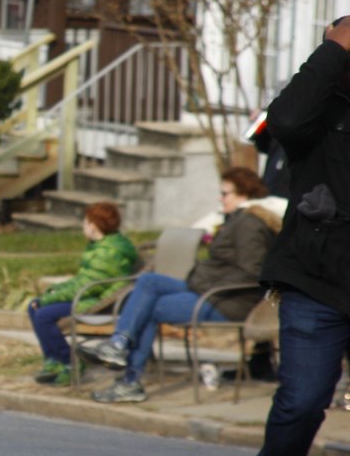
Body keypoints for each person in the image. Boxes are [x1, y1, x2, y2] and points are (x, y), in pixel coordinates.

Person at [246, 16, 350, 456]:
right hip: (316, 277)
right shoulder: (318, 112)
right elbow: (281, 121)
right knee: (304, 400)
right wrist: (334, 49)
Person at [78, 167, 281, 404]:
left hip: (226, 302)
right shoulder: (239, 219)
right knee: (148, 281)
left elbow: (252, 272)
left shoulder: (249, 224)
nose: (220, 198)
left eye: (225, 193)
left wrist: (209, 284)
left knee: (152, 308)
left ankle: (130, 381)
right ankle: (118, 344)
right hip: (205, 288)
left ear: (244, 195)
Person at [28, 202, 137, 387]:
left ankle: (71, 363)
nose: (83, 227)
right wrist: (55, 291)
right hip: (89, 295)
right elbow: (82, 279)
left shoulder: (108, 252)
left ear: (94, 225)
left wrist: (49, 298)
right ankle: (53, 361)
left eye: (85, 222)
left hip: (99, 303)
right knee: (34, 307)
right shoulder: (100, 246)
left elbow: (87, 285)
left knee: (43, 315)